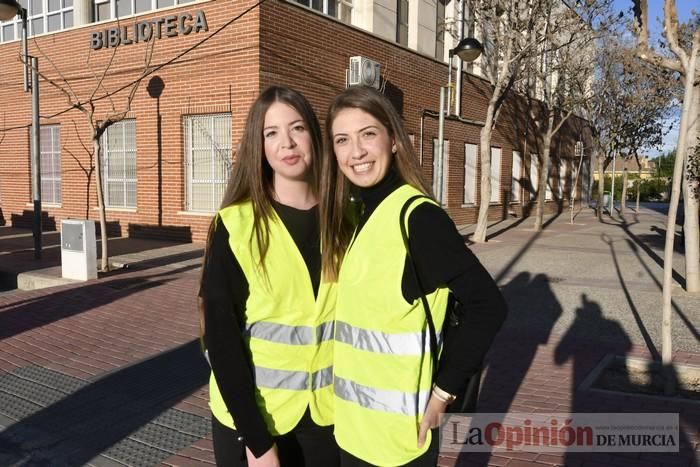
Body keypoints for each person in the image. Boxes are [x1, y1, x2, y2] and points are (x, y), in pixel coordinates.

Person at [320, 86, 508, 467]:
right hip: (354, 430)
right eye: (343, 139)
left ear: (393, 140)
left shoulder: (418, 218)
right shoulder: (362, 215)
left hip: (398, 442)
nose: (355, 151)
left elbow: (488, 306)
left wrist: (444, 393)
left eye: (368, 134)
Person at [200, 86, 339, 467]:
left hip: (328, 416)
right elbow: (220, 340)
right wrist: (257, 443)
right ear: (258, 146)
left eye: (297, 128)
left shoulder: (346, 221)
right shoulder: (236, 224)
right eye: (271, 133)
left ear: (314, 135)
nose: (287, 143)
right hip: (255, 422)